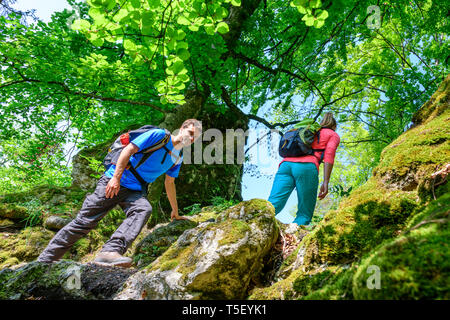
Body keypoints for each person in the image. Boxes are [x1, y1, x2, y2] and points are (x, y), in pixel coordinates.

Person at [37, 119, 202, 267]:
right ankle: (45, 261)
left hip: (135, 190)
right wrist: (115, 178)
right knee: (84, 223)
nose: (192, 138)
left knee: (143, 209)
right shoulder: (159, 135)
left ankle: (109, 252)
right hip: (114, 182)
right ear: (182, 128)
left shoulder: (178, 157)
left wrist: (175, 211)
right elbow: (128, 150)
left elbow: (170, 182)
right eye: (191, 133)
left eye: (195, 137)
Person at [268, 113, 340, 226]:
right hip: (307, 167)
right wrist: (326, 182)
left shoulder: (309, 130)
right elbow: (329, 156)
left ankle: (252, 221)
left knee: (273, 204)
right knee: (304, 213)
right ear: (334, 126)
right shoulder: (333, 135)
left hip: (285, 165)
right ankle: (294, 236)